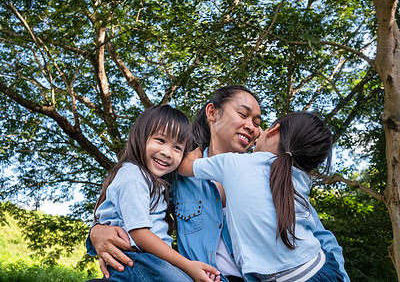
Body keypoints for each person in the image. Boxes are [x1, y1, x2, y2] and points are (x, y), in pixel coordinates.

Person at [87, 85, 350, 282]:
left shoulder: (273, 175)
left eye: (258, 124)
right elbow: (133, 205)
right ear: (212, 112)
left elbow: (322, 239)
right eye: (244, 115)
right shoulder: (176, 172)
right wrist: (96, 232)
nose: (252, 127)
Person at [178, 112, 344, 281]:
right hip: (321, 267)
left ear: (273, 131)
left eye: (259, 125)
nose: (256, 131)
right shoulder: (297, 179)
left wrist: (200, 145)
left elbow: (184, 166)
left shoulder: (234, 164)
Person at [92, 105, 220, 282]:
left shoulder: (157, 182)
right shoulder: (133, 175)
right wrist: (187, 265)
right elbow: (140, 234)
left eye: (177, 148)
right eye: (160, 140)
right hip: (139, 260)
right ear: (140, 137)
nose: (167, 153)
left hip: (150, 261)